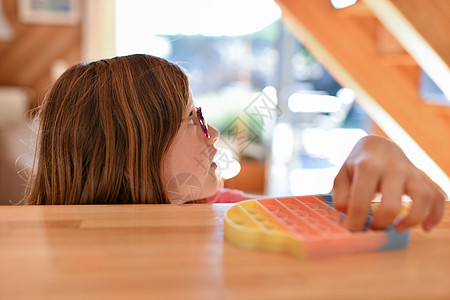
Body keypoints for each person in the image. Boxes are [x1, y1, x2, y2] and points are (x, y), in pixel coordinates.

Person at [25, 54, 447, 233]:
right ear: (123, 151)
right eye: (193, 119)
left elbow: (317, 221)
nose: (214, 135)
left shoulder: (224, 206)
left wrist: (372, 149)